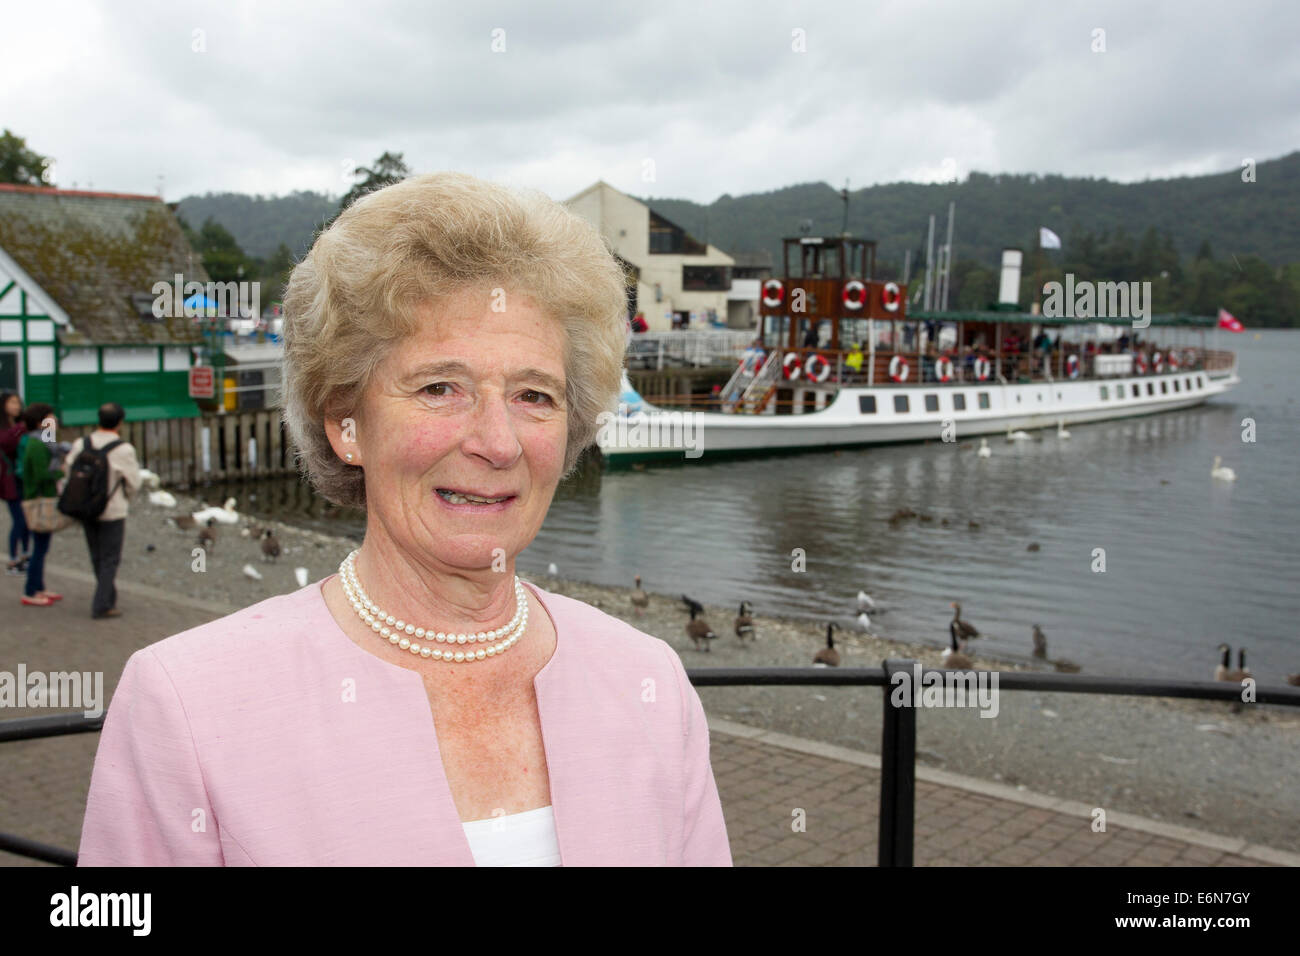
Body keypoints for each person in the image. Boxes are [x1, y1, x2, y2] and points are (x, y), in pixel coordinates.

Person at [77, 171, 732, 867]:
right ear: (345, 423)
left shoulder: (646, 682)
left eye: (533, 394)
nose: (498, 441)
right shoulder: (188, 705)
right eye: (439, 387)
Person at [63, 402, 142, 620]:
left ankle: (107, 596)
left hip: (86, 508)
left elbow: (68, 469)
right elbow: (133, 482)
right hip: (112, 510)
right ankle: (102, 604)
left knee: (96, 555)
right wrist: (126, 497)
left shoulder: (82, 443)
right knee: (110, 558)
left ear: (98, 419)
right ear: (120, 422)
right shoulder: (124, 449)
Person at [18, 403, 62, 607]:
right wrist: (63, 472)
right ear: (40, 422)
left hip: (43, 499)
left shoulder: (45, 441)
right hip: (38, 500)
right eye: (50, 416)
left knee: (42, 547)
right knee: (39, 548)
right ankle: (30, 591)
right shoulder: (36, 444)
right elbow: (42, 474)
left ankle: (39, 587)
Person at [1, 391, 30, 575]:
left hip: (23, 478)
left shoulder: (21, 426)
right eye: (12, 402)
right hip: (8, 479)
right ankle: (13, 559)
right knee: (19, 520)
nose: (16, 406)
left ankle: (25, 556)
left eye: (18, 402)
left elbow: (49, 442)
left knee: (27, 520)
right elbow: (7, 442)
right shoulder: (11, 428)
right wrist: (23, 427)